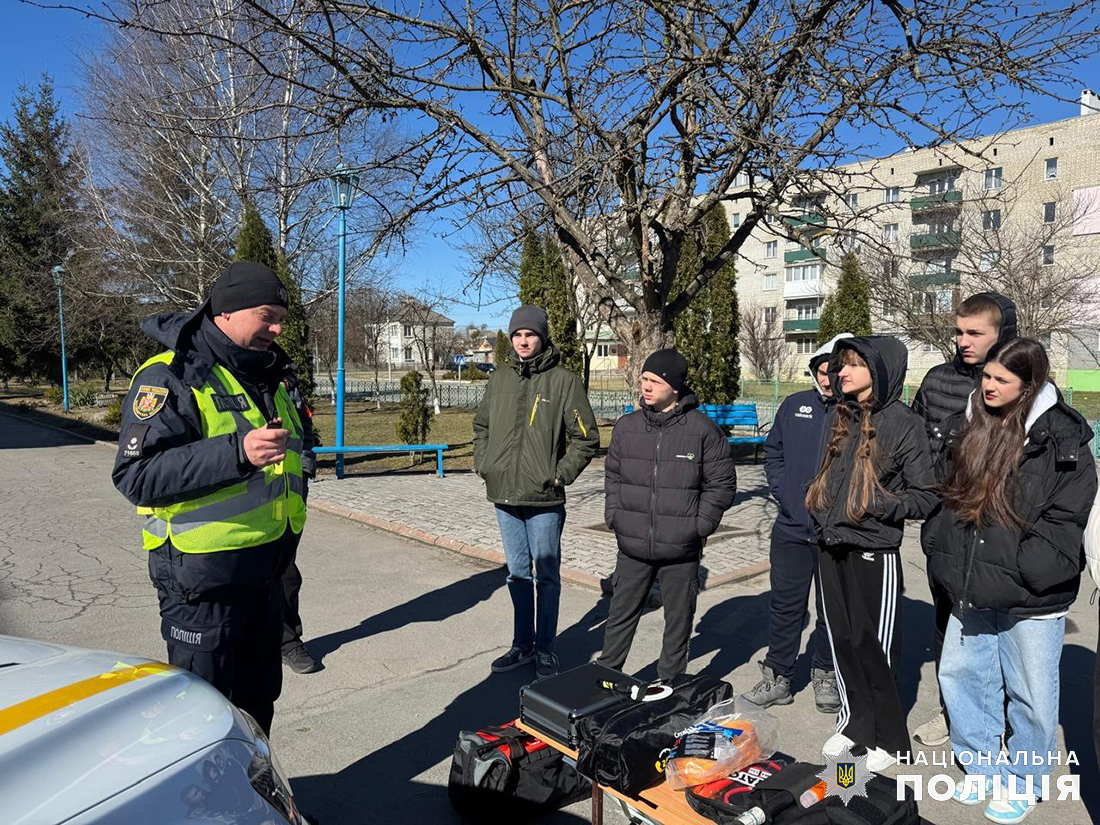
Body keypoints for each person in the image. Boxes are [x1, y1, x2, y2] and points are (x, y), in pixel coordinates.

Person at [112, 261, 317, 735]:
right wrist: (237, 453)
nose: (278, 327)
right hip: (202, 587)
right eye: (267, 314)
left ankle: (257, 802)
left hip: (263, 578)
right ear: (227, 311)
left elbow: (295, 446)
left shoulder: (267, 372)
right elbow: (135, 474)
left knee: (255, 712)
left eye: (280, 316)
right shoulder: (171, 376)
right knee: (200, 722)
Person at [924, 339, 1096, 823]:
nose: (989, 386)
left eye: (1003, 379)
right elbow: (948, 496)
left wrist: (1030, 567)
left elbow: (1069, 512)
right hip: (969, 581)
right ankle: (982, 765)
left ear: (1030, 384)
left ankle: (1025, 780)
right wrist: (940, 550)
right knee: (962, 676)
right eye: (987, 376)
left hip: (1030, 594)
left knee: (1032, 694)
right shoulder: (972, 422)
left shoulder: (1062, 435)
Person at [807, 336, 937, 771]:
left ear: (880, 372)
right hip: (830, 545)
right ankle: (853, 725)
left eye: (853, 365)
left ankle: (888, 738)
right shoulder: (840, 416)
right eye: (841, 364)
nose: (840, 372)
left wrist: (873, 504)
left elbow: (926, 495)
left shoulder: (904, 423)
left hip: (872, 550)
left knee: (873, 646)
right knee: (841, 640)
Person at [912, 292, 1017, 747]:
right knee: (947, 626)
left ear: (1003, 335)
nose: (962, 341)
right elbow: (915, 448)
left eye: (975, 332)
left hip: (1001, 533)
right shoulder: (937, 382)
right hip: (945, 528)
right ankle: (949, 710)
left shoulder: (1020, 383)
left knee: (1001, 632)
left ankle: (1000, 717)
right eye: (959, 331)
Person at [473, 305, 599, 678]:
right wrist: (485, 464)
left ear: (542, 337)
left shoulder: (563, 381)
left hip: (544, 497)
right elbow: (481, 426)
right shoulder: (499, 381)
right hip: (505, 496)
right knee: (516, 574)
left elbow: (586, 437)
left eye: (530, 334)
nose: (523, 341)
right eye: (517, 335)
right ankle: (522, 644)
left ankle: (545, 648)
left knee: (545, 574)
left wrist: (559, 475)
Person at [598, 349, 737, 682]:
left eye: (655, 381)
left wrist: (698, 527)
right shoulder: (627, 427)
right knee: (620, 613)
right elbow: (613, 475)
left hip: (681, 548)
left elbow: (722, 484)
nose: (646, 386)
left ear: (674, 387)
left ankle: (669, 682)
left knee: (678, 619)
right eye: (644, 379)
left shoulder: (703, 430)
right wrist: (614, 516)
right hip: (632, 543)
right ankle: (605, 677)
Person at [742, 334, 852, 713]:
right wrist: (786, 496)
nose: (827, 380)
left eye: (834, 373)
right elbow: (774, 454)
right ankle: (779, 676)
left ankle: (825, 673)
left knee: (830, 610)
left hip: (835, 535)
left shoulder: (856, 413)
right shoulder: (795, 405)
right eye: (822, 372)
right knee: (786, 606)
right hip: (791, 528)